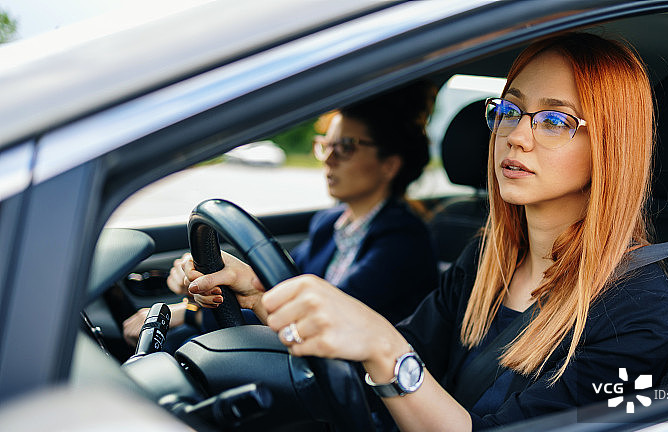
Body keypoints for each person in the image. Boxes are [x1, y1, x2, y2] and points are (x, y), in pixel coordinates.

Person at [183, 33, 668, 432]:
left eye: (554, 121)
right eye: (510, 110)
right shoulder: (487, 260)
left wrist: (385, 347)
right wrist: (264, 297)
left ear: (611, 147)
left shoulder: (638, 308)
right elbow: (383, 362)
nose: (516, 136)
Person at [122, 82, 439, 347]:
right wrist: (202, 285)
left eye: (345, 147)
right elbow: (278, 280)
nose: (328, 160)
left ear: (389, 165)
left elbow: (326, 316)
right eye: (325, 146)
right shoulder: (330, 223)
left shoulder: (402, 243)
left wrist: (189, 312)